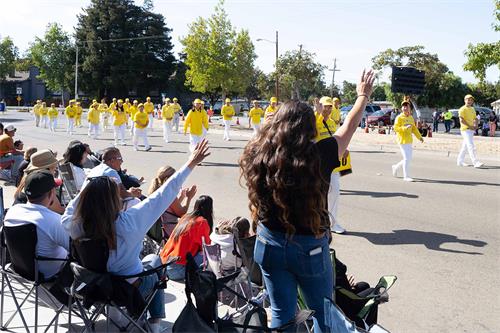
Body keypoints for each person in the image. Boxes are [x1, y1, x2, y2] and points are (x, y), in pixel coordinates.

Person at [239, 69, 375, 331]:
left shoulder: (259, 153)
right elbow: (349, 127)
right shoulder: (320, 153)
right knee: (324, 316)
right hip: (309, 248)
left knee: (282, 315)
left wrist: (269, 125)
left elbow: (263, 138)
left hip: (268, 243)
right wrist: (362, 96)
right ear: (309, 126)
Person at [62, 140, 209, 333]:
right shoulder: (128, 223)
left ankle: (120, 316)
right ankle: (154, 325)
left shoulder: (73, 223)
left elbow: (74, 206)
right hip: (126, 287)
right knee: (154, 261)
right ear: (115, 198)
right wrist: (191, 163)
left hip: (94, 285)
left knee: (149, 263)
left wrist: (91, 185)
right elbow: (164, 194)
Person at [5, 170, 69, 279]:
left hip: (20, 269)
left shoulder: (12, 212)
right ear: (51, 193)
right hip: (48, 273)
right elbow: (75, 248)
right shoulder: (54, 220)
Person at [160, 195, 214, 281]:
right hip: (176, 271)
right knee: (209, 254)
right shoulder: (201, 222)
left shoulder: (186, 217)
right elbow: (206, 247)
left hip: (163, 265)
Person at [316, 96, 345, 234]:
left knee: (335, 191)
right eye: (324, 106)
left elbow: (336, 140)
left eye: (329, 106)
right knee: (318, 194)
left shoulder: (333, 123)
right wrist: (317, 113)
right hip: (317, 164)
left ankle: (333, 223)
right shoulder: (314, 122)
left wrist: (343, 149)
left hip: (331, 163)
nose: (327, 109)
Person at [148, 166, 197, 237]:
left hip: (159, 228)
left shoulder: (156, 191)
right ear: (168, 179)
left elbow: (169, 208)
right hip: (169, 230)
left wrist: (181, 197)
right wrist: (188, 197)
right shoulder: (168, 194)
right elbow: (181, 213)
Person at [14, 149, 65, 214]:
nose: (55, 172)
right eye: (54, 168)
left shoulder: (27, 180)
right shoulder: (43, 186)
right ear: (47, 170)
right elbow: (60, 211)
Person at [391, 99, 424, 182]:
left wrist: (419, 137)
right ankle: (406, 176)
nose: (405, 108)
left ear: (410, 108)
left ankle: (395, 167)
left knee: (408, 158)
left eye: (407, 106)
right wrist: (404, 128)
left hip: (409, 140)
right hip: (402, 140)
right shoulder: (399, 118)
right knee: (406, 158)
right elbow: (395, 128)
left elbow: (414, 129)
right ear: (401, 108)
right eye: (403, 106)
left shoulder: (411, 118)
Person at [457, 94, 484, 168]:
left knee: (465, 147)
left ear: (472, 101)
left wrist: (476, 125)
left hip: (471, 130)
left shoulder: (472, 109)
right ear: (464, 100)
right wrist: (470, 126)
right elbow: (461, 120)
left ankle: (460, 161)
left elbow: (475, 118)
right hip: (465, 130)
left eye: (471, 100)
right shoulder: (462, 109)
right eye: (468, 99)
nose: (469, 101)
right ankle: (475, 162)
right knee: (471, 146)